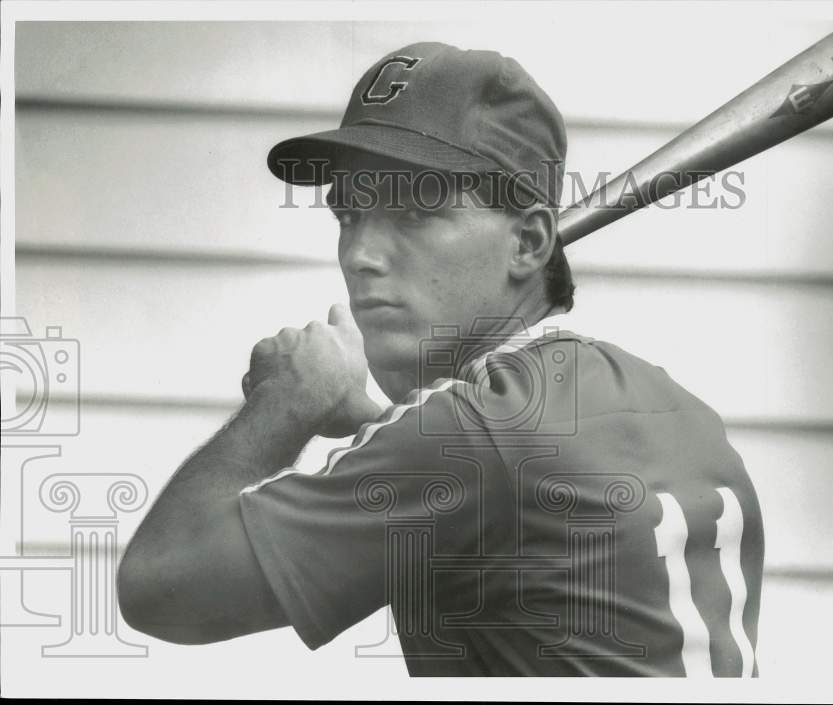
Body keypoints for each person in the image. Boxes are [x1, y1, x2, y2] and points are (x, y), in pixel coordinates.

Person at [118, 42, 764, 677]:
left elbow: (162, 586)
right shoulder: (671, 407)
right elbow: (499, 491)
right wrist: (381, 417)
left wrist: (283, 405)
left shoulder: (468, 436)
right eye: (349, 214)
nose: (362, 254)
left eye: (414, 212)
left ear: (530, 241)